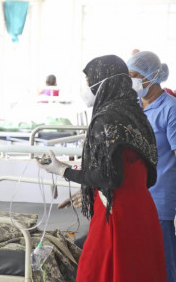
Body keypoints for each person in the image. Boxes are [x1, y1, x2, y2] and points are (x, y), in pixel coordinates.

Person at [37, 55, 166, 281]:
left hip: (117, 215)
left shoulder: (106, 118)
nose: (86, 87)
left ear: (102, 81)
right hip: (143, 210)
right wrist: (87, 188)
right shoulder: (136, 114)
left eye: (88, 81)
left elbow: (110, 178)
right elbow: (143, 174)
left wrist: (63, 170)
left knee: (96, 272)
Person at [127, 51, 176, 282]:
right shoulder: (134, 106)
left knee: (163, 259)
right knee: (139, 259)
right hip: (135, 194)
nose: (132, 82)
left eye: (135, 76)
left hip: (160, 195)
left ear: (152, 76)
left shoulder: (170, 108)